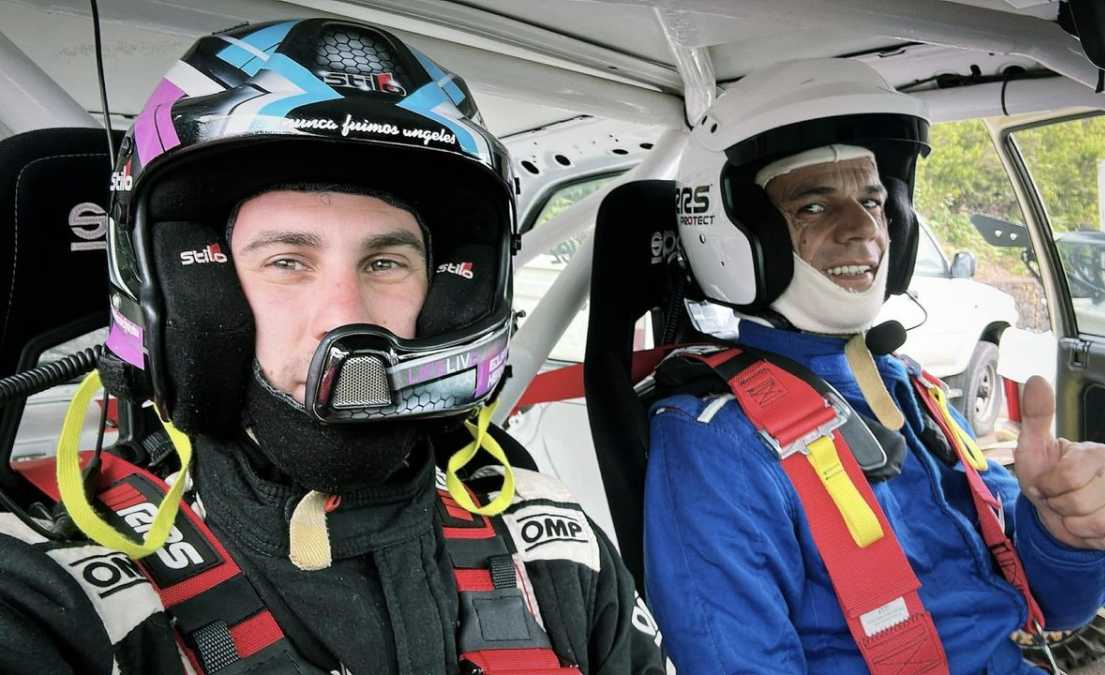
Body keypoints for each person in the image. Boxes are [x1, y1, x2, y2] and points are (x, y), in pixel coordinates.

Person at [0, 19, 666, 675]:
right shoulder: (59, 584)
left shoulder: (551, 537)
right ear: (195, 295)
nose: (345, 315)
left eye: (385, 263)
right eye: (287, 262)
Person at [644, 58, 1105, 674]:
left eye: (874, 201)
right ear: (740, 239)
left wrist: (1068, 535)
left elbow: (1055, 604)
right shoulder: (719, 441)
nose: (865, 230)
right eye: (814, 207)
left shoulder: (908, 385)